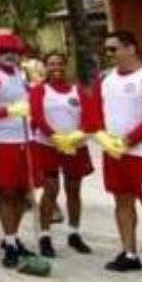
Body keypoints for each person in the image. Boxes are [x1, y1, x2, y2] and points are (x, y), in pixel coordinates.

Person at [87, 29, 142, 282]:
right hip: (115, 152)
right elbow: (94, 112)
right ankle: (129, 253)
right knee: (122, 202)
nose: (109, 54)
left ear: (131, 48)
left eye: (113, 49)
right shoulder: (104, 78)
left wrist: (127, 141)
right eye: (107, 50)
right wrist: (104, 138)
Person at [0, 34, 42, 268]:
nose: (11, 55)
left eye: (15, 51)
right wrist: (9, 111)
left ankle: (11, 236)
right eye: (6, 51)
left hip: (25, 138)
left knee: (24, 194)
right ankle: (11, 242)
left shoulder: (20, 74)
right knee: (7, 192)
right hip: (1, 142)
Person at [29, 51, 93, 258]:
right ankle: (45, 235)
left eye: (60, 64)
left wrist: (78, 135)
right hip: (48, 146)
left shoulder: (78, 91)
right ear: (45, 67)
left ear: (66, 66)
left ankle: (74, 233)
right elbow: (38, 117)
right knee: (51, 190)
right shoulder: (40, 91)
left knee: (74, 190)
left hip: (74, 146)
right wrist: (55, 137)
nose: (56, 68)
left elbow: (89, 117)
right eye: (51, 64)